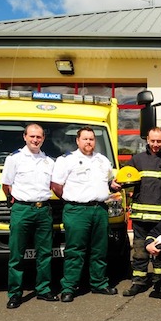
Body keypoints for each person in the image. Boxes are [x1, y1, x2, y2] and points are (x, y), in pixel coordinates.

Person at [51, 127, 121, 302]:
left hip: (100, 209)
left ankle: (99, 283)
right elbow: (56, 186)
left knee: (99, 249)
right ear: (77, 141)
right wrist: (72, 199)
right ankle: (69, 286)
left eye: (91, 139)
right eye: (85, 139)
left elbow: (109, 181)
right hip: (77, 210)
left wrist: (113, 186)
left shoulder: (103, 160)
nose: (89, 142)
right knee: (75, 250)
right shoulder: (66, 160)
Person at [2, 123, 57, 309]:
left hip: (43, 210)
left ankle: (43, 290)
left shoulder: (49, 161)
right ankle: (15, 294)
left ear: (43, 139)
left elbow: (53, 185)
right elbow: (6, 185)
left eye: (39, 137)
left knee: (45, 254)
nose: (35, 140)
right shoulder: (14, 159)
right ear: (24, 137)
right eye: (32, 136)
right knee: (17, 254)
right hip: (22, 210)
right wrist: (13, 200)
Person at [124, 127, 161, 297]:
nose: (155, 144)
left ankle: (159, 281)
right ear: (147, 140)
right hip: (141, 216)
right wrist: (116, 183)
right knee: (140, 250)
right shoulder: (136, 160)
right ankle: (138, 282)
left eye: (159, 141)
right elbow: (124, 179)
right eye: (152, 141)